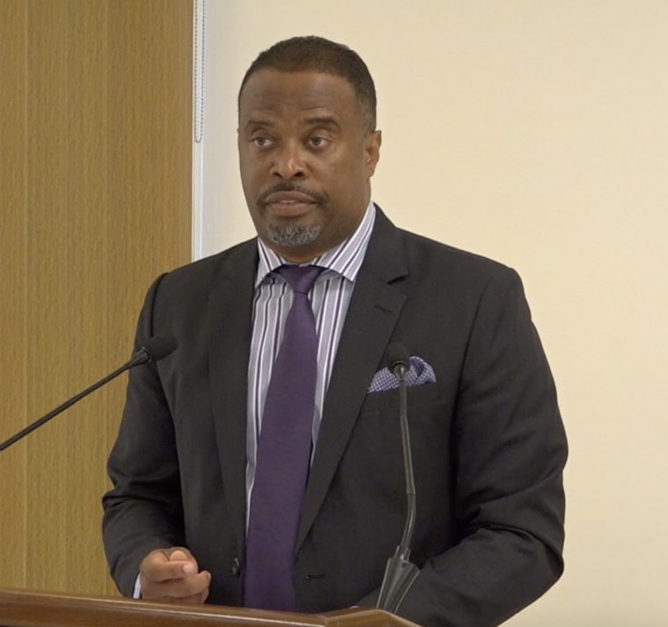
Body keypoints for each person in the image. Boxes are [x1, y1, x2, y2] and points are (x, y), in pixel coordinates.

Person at [102, 36, 567, 627]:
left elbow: (522, 531)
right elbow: (136, 495)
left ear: (371, 151)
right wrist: (147, 568)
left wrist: (385, 621)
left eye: (317, 139)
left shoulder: (473, 300)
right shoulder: (181, 303)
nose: (286, 164)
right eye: (262, 138)